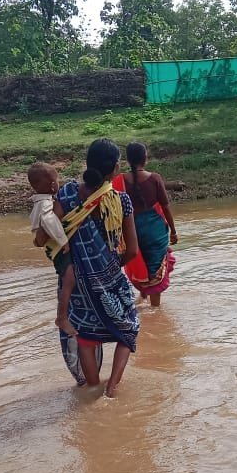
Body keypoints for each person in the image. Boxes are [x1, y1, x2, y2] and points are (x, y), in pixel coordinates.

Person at [35, 138, 140, 397]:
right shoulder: (120, 201)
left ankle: (93, 389)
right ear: (116, 168)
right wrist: (112, 267)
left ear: (87, 163)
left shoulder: (67, 194)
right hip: (110, 278)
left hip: (77, 282)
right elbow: (133, 251)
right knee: (128, 329)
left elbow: (46, 234)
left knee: (85, 335)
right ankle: (112, 388)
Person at [118, 142, 178, 307]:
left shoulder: (119, 180)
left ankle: (142, 297)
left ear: (128, 160)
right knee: (155, 269)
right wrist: (173, 231)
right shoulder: (155, 178)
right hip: (154, 229)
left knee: (140, 262)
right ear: (145, 158)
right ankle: (155, 309)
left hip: (131, 229)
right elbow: (165, 207)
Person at [27, 162, 76, 337]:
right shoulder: (47, 203)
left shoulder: (42, 201)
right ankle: (61, 318)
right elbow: (48, 221)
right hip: (57, 248)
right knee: (70, 278)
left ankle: (65, 313)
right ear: (53, 185)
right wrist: (64, 241)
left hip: (51, 246)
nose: (58, 183)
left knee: (66, 278)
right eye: (56, 180)